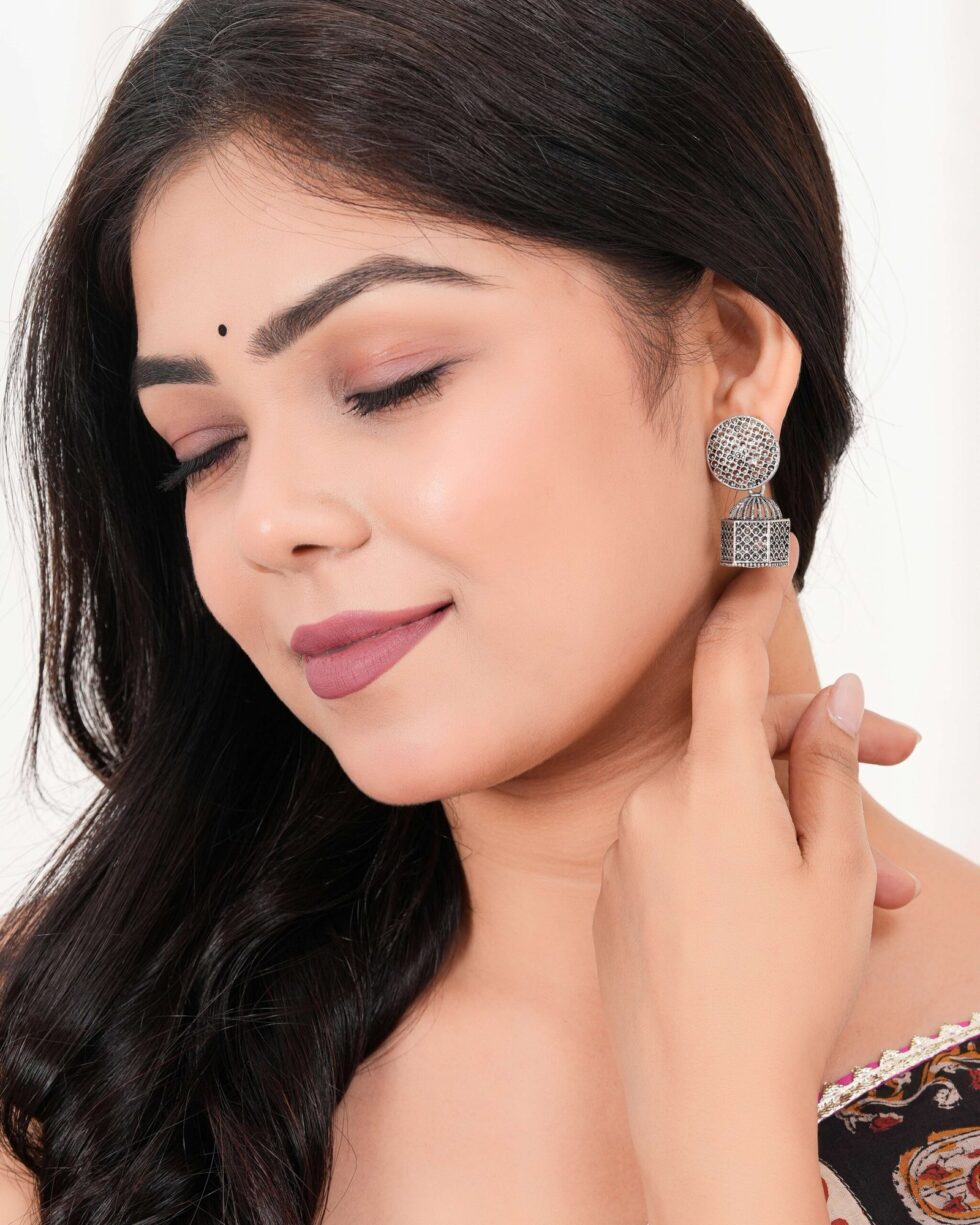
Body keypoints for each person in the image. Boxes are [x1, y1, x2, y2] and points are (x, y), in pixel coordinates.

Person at [1, 0, 978, 1222]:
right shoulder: (67, 1056)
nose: (267, 520)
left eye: (391, 382)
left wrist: (727, 1142)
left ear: (730, 359)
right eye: (205, 447)